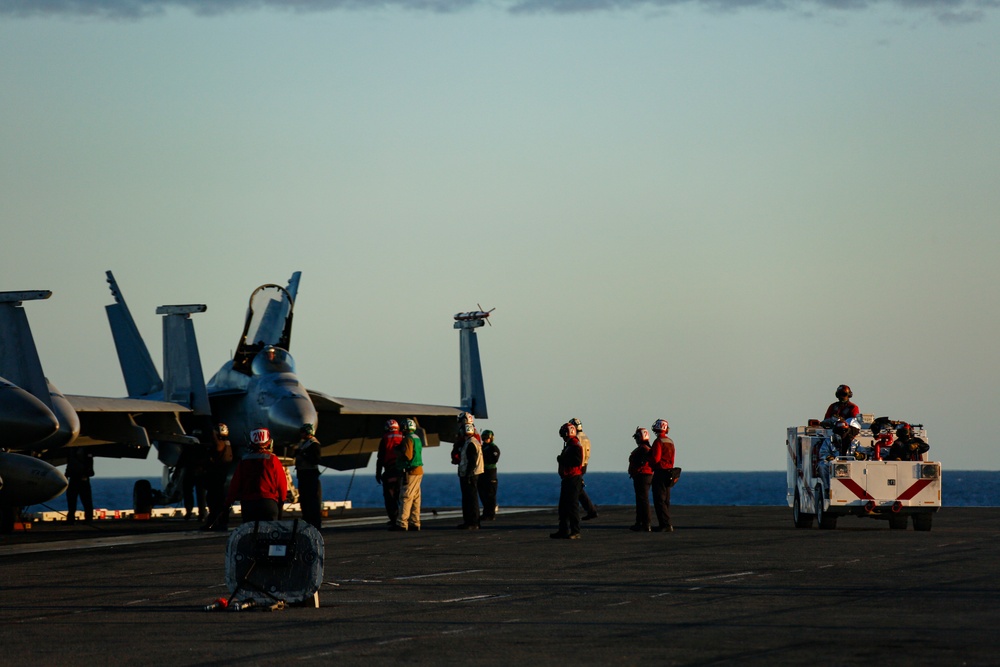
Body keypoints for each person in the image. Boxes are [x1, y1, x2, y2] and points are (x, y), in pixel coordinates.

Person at [225, 427, 288, 523]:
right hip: (268, 503)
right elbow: (282, 483)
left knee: (250, 534)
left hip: (248, 505)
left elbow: (235, 484)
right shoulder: (273, 460)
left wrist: (229, 502)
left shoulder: (244, 461)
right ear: (268, 442)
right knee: (270, 534)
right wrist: (282, 501)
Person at [552, 422, 584, 540]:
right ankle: (563, 530)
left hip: (573, 478)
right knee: (564, 506)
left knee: (572, 506)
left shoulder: (575, 445)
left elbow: (576, 461)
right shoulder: (570, 445)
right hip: (567, 478)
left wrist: (562, 459)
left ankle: (575, 531)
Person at [391, 418, 423, 532]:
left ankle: (402, 523)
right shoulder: (417, 438)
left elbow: (407, 456)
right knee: (415, 498)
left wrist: (397, 451)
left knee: (406, 496)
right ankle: (415, 522)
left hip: (410, 471)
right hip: (418, 470)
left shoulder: (408, 439)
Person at [202, 423, 233, 531]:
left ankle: (213, 523)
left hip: (216, 479)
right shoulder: (227, 445)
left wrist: (212, 432)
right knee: (219, 502)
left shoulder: (220, 445)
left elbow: (216, 446)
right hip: (220, 479)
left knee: (213, 502)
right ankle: (219, 523)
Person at [649, 419, 676, 533]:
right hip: (669, 472)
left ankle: (665, 524)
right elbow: (673, 458)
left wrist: (650, 463)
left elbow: (656, 458)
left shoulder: (658, 441)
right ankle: (666, 523)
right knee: (666, 499)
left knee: (659, 499)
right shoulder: (670, 441)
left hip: (660, 472)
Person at [375, 419, 404, 525]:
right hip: (402, 471)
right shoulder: (403, 436)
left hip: (390, 471)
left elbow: (380, 458)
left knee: (390, 497)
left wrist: (378, 473)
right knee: (403, 496)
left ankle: (394, 519)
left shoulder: (385, 438)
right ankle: (404, 518)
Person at [294, 423, 323, 530]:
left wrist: (304, 455)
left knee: (312, 502)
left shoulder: (313, 444)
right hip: (303, 475)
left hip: (310, 475)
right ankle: (307, 522)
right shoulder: (304, 444)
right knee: (305, 501)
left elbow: (316, 459)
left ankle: (314, 525)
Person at [569, 417, 598, 520]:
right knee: (579, 490)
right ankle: (591, 510)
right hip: (584, 464)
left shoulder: (577, 438)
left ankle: (590, 511)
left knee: (575, 490)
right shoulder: (586, 437)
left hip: (578, 466)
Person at [457, 423, 484, 529]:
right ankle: (470, 521)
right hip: (471, 474)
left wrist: (468, 475)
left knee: (471, 499)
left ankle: (473, 522)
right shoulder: (472, 442)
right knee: (469, 498)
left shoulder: (470, 443)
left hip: (470, 475)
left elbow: (472, 461)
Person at [627, 427, 654, 532]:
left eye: (637, 437)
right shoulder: (647, 448)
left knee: (643, 500)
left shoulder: (643, 449)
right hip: (643, 475)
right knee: (641, 499)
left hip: (642, 476)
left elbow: (640, 462)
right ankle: (640, 522)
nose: (636, 440)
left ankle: (645, 523)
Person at [823, 385, 862, 456]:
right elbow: (826, 419)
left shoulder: (853, 407)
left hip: (846, 433)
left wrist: (842, 421)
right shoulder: (833, 406)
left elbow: (854, 422)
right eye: (839, 394)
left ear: (848, 395)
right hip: (832, 432)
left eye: (844, 394)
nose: (842, 397)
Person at [65, 447, 95, 524]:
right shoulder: (71, 450)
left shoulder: (84, 449)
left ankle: (88, 518)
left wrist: (86, 474)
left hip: (82, 478)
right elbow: (69, 462)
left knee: (85, 499)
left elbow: (89, 461)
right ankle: (71, 518)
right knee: (72, 499)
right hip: (74, 477)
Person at [478, 429, 501, 520]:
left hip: (490, 473)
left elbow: (494, 459)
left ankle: (491, 514)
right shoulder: (482, 447)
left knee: (490, 495)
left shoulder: (493, 448)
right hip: (482, 473)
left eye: (486, 438)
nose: (485, 440)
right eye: (483, 438)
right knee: (483, 494)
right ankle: (486, 513)